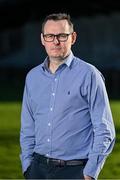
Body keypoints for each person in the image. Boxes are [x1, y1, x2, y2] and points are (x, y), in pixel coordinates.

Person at [20, 13, 116, 180]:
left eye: (62, 36)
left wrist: (89, 174)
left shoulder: (89, 75)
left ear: (73, 37)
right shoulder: (32, 77)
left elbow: (104, 130)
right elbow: (27, 127)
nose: (56, 41)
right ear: (43, 39)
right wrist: (27, 166)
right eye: (50, 36)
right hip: (37, 170)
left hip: (75, 171)